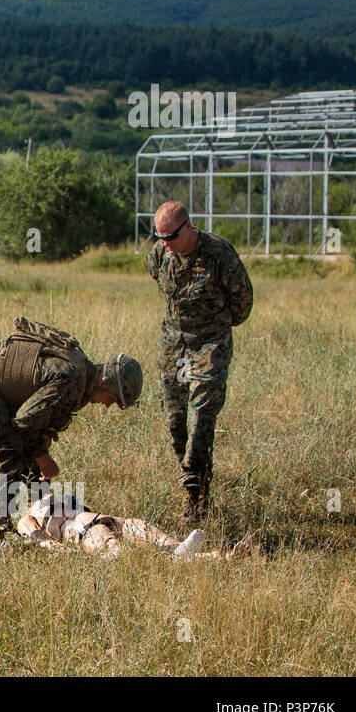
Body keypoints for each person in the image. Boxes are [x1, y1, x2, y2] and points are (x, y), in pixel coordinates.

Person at [0, 317, 142, 520]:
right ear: (104, 383)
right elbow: (24, 421)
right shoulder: (71, 380)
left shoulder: (82, 380)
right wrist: (45, 459)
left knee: (31, 450)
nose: (108, 404)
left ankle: (42, 513)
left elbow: (35, 425)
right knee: (7, 441)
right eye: (113, 399)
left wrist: (40, 454)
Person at [147, 201, 253, 521]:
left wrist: (217, 327)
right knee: (176, 420)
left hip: (210, 344)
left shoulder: (219, 253)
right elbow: (158, 276)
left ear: (189, 228)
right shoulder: (159, 254)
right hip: (173, 345)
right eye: (159, 236)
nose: (165, 243)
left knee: (202, 416)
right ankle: (189, 477)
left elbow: (243, 301)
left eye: (171, 236)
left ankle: (196, 494)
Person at [15, 493, 248, 560]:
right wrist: (68, 554)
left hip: (109, 521)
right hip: (82, 531)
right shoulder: (28, 515)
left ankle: (189, 554)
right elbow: (40, 540)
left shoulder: (58, 497)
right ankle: (214, 557)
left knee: (155, 536)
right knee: (126, 559)